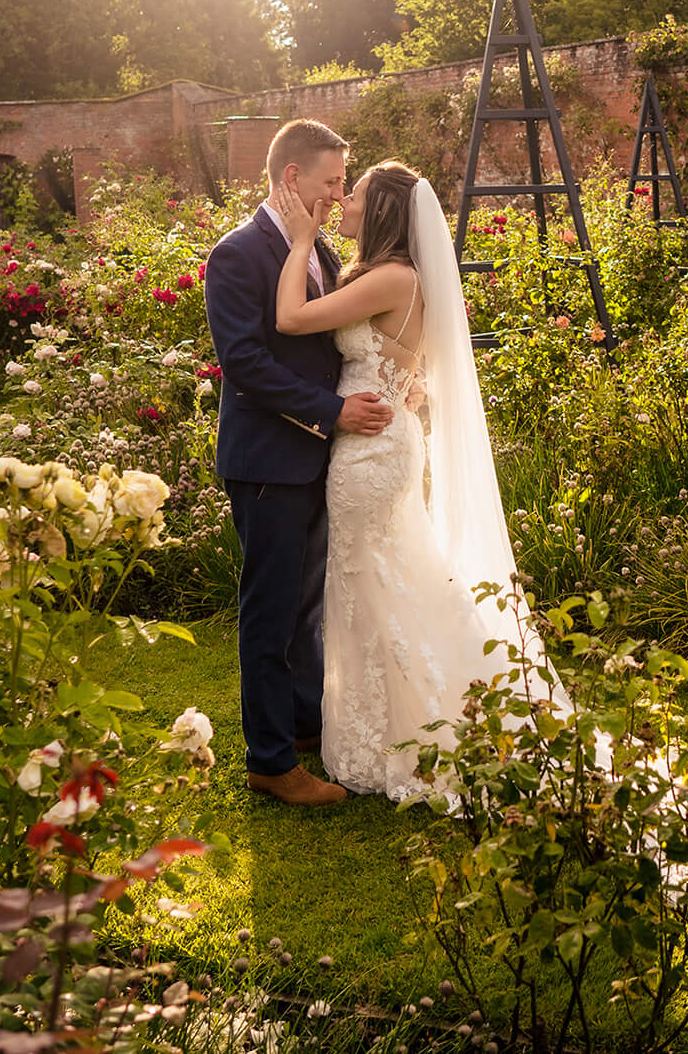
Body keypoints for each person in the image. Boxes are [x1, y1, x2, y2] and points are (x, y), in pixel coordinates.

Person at [267, 158, 542, 801]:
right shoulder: (403, 279)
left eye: (354, 193)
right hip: (384, 440)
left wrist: (302, 240)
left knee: (369, 585)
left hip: (368, 453)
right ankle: (408, 717)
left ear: (383, 210)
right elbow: (411, 356)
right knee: (389, 576)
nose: (343, 200)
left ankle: (404, 731)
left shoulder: (388, 277)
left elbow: (289, 320)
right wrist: (407, 383)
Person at [204, 120, 393, 808]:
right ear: (292, 179)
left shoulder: (323, 253)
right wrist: (333, 411)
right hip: (267, 461)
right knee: (270, 610)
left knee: (306, 605)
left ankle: (304, 724)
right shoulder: (237, 254)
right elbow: (245, 365)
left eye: (345, 182)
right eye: (332, 181)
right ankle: (270, 760)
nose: (340, 194)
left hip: (315, 457)